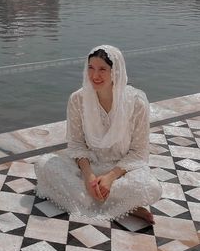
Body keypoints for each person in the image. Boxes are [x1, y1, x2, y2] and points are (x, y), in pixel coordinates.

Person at [35, 44, 162, 223]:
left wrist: (110, 178)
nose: (95, 75)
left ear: (115, 71)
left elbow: (138, 152)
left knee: (151, 187)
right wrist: (89, 177)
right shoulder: (77, 99)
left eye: (102, 69)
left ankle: (90, 197)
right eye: (91, 68)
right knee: (43, 164)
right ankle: (121, 204)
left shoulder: (136, 103)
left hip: (122, 171)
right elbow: (76, 144)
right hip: (88, 166)